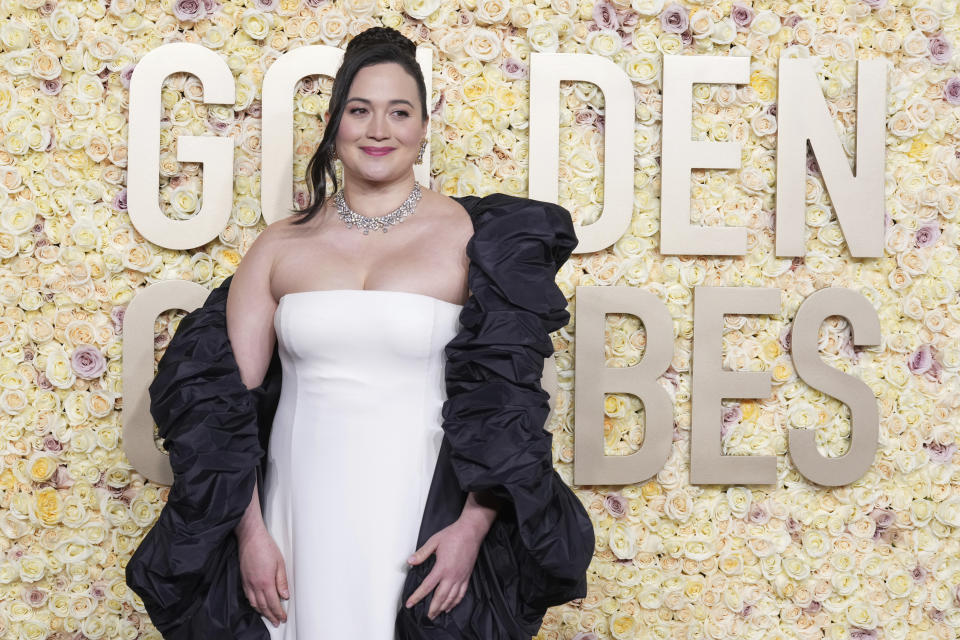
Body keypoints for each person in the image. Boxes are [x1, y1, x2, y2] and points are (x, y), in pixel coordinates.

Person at [125, 26, 594, 640]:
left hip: (423, 512)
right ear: (334, 123)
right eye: (360, 110)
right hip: (298, 512)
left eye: (399, 112)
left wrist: (472, 528)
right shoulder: (279, 246)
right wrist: (251, 535)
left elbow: (507, 409)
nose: (379, 130)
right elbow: (223, 413)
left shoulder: (476, 243)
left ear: (424, 127)